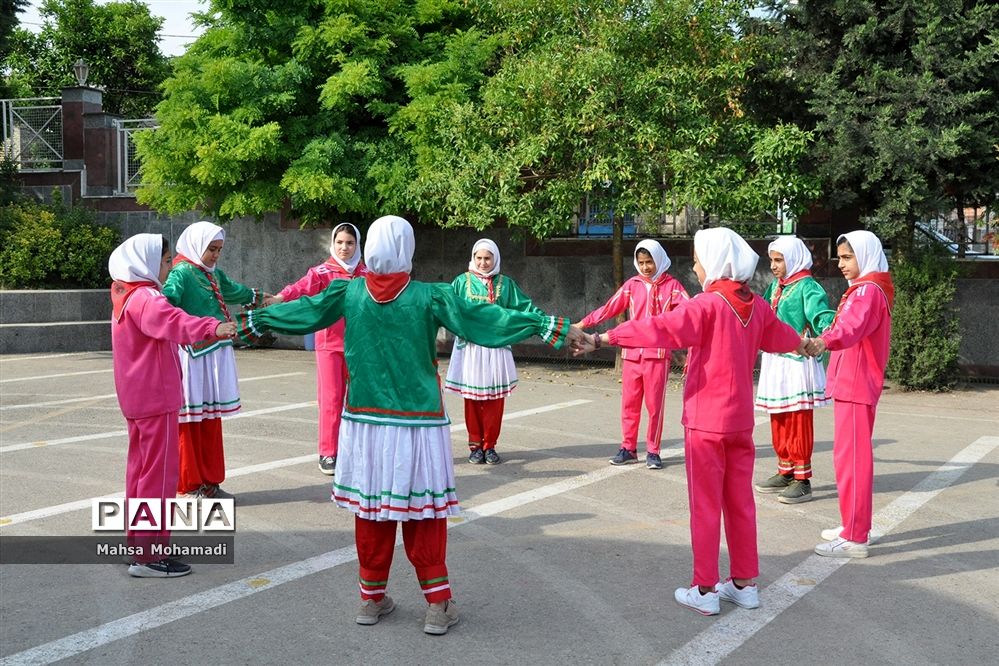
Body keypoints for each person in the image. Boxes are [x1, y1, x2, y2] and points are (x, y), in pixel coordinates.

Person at [233, 216, 577, 635]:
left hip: (364, 421)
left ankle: (371, 599)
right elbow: (487, 320)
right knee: (422, 512)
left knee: (371, 510)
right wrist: (553, 327)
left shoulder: (348, 290)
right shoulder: (431, 296)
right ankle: (437, 605)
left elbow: (302, 313)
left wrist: (250, 323)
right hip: (417, 423)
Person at [573, 227, 807, 616]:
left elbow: (659, 328)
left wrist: (602, 338)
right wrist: (805, 343)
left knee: (704, 504)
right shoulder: (755, 304)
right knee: (740, 501)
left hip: (705, 420)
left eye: (698, 260)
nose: (695, 267)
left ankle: (705, 588)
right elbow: (782, 336)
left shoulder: (707, 304)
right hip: (740, 422)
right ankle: (745, 583)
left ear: (714, 261)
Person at [108, 234, 236, 578]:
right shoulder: (147, 297)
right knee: (159, 478)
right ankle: (150, 556)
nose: (168, 266)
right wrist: (214, 326)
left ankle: (138, 546)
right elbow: (175, 321)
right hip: (156, 397)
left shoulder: (125, 291)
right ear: (148, 261)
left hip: (138, 398)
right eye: (165, 260)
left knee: (140, 473)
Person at [162, 221, 269, 500]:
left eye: (219, 249)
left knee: (210, 419)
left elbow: (234, 290)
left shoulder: (212, 273)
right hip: (193, 356)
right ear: (197, 245)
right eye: (211, 249)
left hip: (214, 356)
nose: (215, 255)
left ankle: (209, 481)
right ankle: (188, 484)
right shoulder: (181, 273)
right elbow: (165, 304)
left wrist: (260, 298)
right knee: (189, 421)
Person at [804, 230, 893, 559]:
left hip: (856, 384)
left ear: (865, 256)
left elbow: (850, 329)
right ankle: (852, 525)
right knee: (848, 458)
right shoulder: (865, 288)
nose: (840, 263)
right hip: (852, 383)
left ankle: (855, 536)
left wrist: (822, 341)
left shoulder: (867, 291)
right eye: (840, 257)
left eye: (847, 257)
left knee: (852, 460)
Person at [575, 240, 689, 469]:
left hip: (657, 355)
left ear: (659, 259)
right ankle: (628, 448)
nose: (646, 267)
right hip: (631, 354)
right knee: (629, 404)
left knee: (655, 406)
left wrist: (689, 348)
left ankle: (654, 451)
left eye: (650, 262)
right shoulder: (632, 285)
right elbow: (609, 308)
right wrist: (582, 324)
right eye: (641, 262)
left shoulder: (673, 287)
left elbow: (691, 315)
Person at [266, 223, 366, 475]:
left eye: (350, 243)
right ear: (333, 243)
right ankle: (328, 452)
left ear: (357, 245)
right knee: (331, 399)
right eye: (340, 242)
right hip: (329, 346)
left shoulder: (367, 273)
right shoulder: (323, 272)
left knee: (359, 399)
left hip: (361, 345)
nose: (344, 248)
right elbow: (301, 287)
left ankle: (354, 450)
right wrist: (279, 298)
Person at [443, 239, 549, 466]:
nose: (482, 262)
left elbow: (525, 307)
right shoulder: (461, 283)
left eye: (487, 258)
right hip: (470, 349)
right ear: (473, 258)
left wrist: (545, 322)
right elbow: (445, 308)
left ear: (495, 259)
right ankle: (475, 446)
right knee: (472, 399)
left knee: (494, 399)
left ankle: (490, 445)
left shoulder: (505, 284)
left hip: (497, 348)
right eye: (479, 258)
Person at [753, 236, 836, 504]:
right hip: (776, 360)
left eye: (779, 260)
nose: (774, 266)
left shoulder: (807, 287)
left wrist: (832, 330)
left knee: (797, 418)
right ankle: (785, 470)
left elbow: (821, 316)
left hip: (798, 360)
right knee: (778, 416)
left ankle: (803, 478)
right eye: (772, 260)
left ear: (794, 258)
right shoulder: (777, 285)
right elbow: (763, 312)